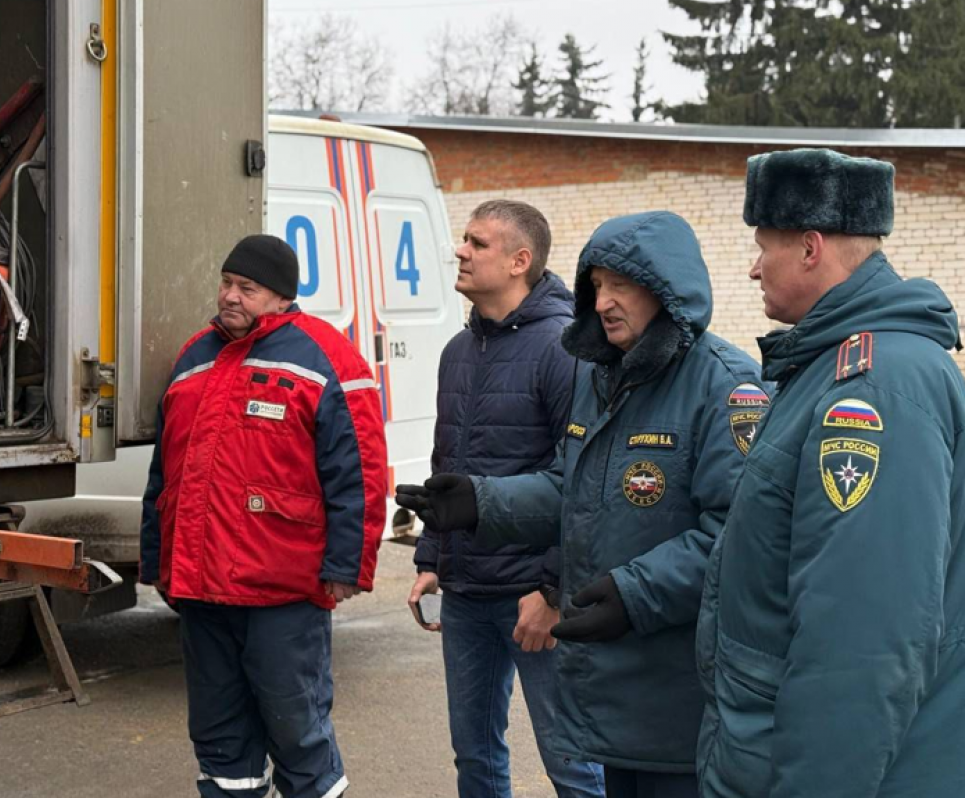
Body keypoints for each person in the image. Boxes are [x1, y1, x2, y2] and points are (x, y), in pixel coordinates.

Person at [399, 211, 766, 798]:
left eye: (621, 285)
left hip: (681, 689)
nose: (603, 301)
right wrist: (478, 502)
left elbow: (737, 536)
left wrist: (632, 592)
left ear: (666, 289)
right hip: (616, 687)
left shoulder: (727, 387)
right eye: (596, 286)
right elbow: (574, 491)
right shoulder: (606, 380)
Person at [697, 149, 965, 798]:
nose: (753, 266)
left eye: (765, 246)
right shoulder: (827, 364)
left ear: (811, 248)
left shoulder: (874, 386)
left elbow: (863, 645)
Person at [140, 234, 387, 798]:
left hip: (284, 591)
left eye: (246, 289)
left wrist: (348, 564)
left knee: (297, 731)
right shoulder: (193, 356)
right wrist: (156, 560)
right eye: (227, 283)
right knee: (219, 736)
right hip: (202, 590)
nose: (230, 297)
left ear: (281, 298)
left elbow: (361, 471)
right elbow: (165, 473)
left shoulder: (324, 355)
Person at [408, 200, 605, 798]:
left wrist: (552, 590)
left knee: (573, 764)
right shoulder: (457, 353)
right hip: (467, 594)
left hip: (532, 599)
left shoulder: (564, 350)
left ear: (521, 261)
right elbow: (451, 467)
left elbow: (582, 481)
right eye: (463, 240)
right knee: (475, 758)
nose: (460, 252)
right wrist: (429, 558)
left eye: (477, 243)